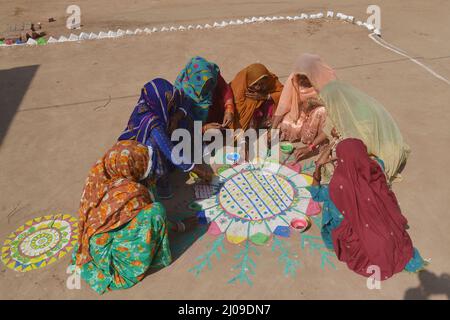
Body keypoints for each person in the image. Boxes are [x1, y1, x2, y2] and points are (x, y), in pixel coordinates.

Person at [72, 140, 200, 294]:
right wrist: (180, 226)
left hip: (92, 246)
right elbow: (153, 215)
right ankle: (148, 258)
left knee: (146, 198)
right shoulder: (131, 191)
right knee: (156, 212)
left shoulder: (99, 172)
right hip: (111, 259)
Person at [307, 138, 425, 280]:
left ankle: (333, 239)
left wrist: (318, 166)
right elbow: (369, 160)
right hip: (384, 222)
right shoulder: (376, 167)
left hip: (358, 231)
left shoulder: (339, 185)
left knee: (331, 205)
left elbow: (316, 193)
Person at [118, 78, 212, 199]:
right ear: (160, 101)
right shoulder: (151, 121)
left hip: (165, 135)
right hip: (139, 152)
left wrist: (177, 117)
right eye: (169, 101)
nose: (172, 103)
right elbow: (170, 151)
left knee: (185, 116)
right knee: (153, 146)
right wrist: (199, 171)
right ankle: (161, 184)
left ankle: (181, 158)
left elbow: (186, 100)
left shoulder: (164, 100)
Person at [272, 53, 336, 144]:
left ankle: (320, 138)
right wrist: (273, 128)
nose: (302, 81)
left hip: (317, 116)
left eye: (306, 78)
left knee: (322, 110)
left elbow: (334, 104)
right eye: (300, 77)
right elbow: (284, 104)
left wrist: (315, 102)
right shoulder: (294, 79)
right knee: (285, 125)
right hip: (300, 112)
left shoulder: (325, 80)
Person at [174, 56, 235, 132]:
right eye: (205, 86)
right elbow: (182, 124)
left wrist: (229, 110)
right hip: (193, 129)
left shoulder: (211, 74)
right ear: (195, 84)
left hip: (215, 116)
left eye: (210, 83)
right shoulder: (183, 94)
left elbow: (224, 89)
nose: (209, 89)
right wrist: (204, 128)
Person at [229, 63, 283, 130]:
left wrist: (266, 96)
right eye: (255, 84)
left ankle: (266, 122)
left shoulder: (271, 80)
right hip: (249, 116)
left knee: (275, 100)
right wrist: (252, 103)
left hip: (264, 113)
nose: (258, 87)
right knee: (251, 102)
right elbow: (237, 107)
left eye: (262, 84)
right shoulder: (239, 84)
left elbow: (284, 94)